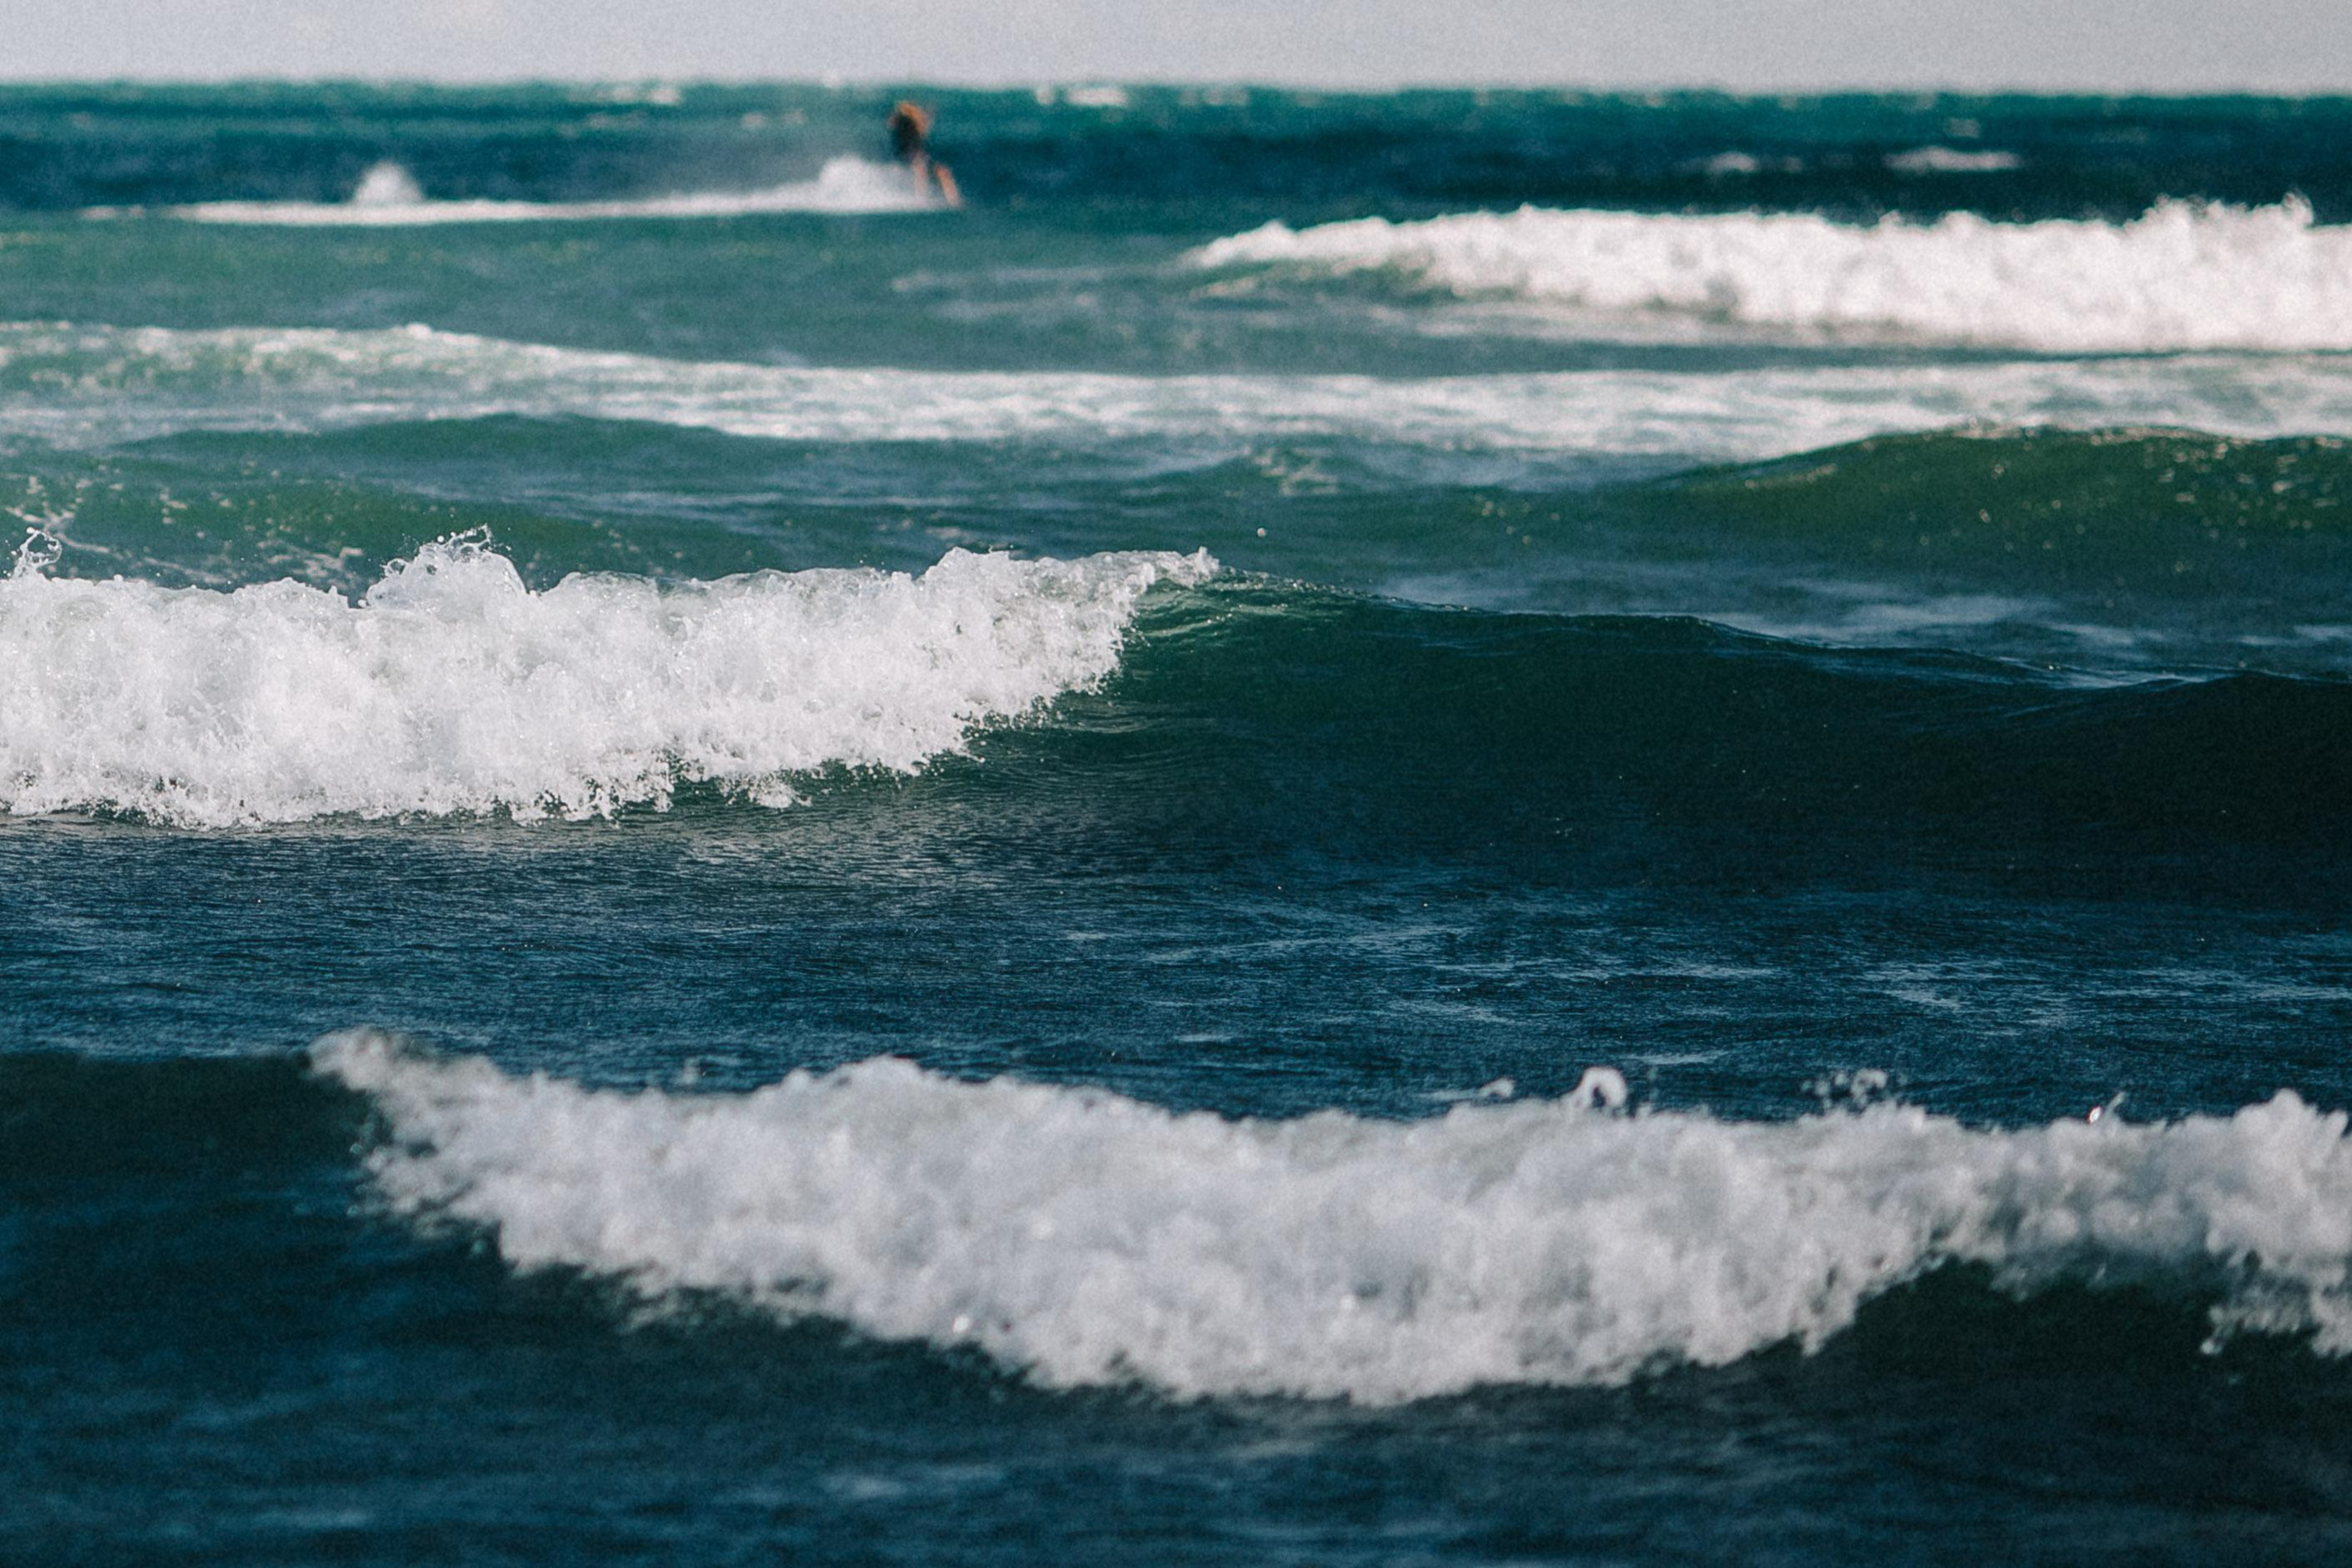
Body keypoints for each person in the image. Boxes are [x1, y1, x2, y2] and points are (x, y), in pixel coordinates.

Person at [886, 101, 961, 208]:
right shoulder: (902, 120)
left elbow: (922, 131)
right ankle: (920, 201)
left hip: (918, 153)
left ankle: (954, 202)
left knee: (943, 171)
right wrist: (904, 113)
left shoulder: (917, 124)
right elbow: (892, 122)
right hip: (906, 152)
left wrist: (925, 118)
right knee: (920, 170)